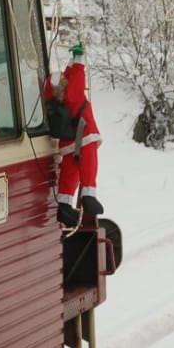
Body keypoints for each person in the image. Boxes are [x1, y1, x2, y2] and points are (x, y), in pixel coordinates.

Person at [44, 44, 103, 227]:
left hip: (68, 140)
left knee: (69, 172)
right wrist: (79, 59)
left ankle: (64, 204)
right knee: (88, 166)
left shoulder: (54, 98)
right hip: (84, 135)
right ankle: (89, 195)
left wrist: (70, 64)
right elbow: (77, 77)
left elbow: (69, 77)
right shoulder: (74, 95)